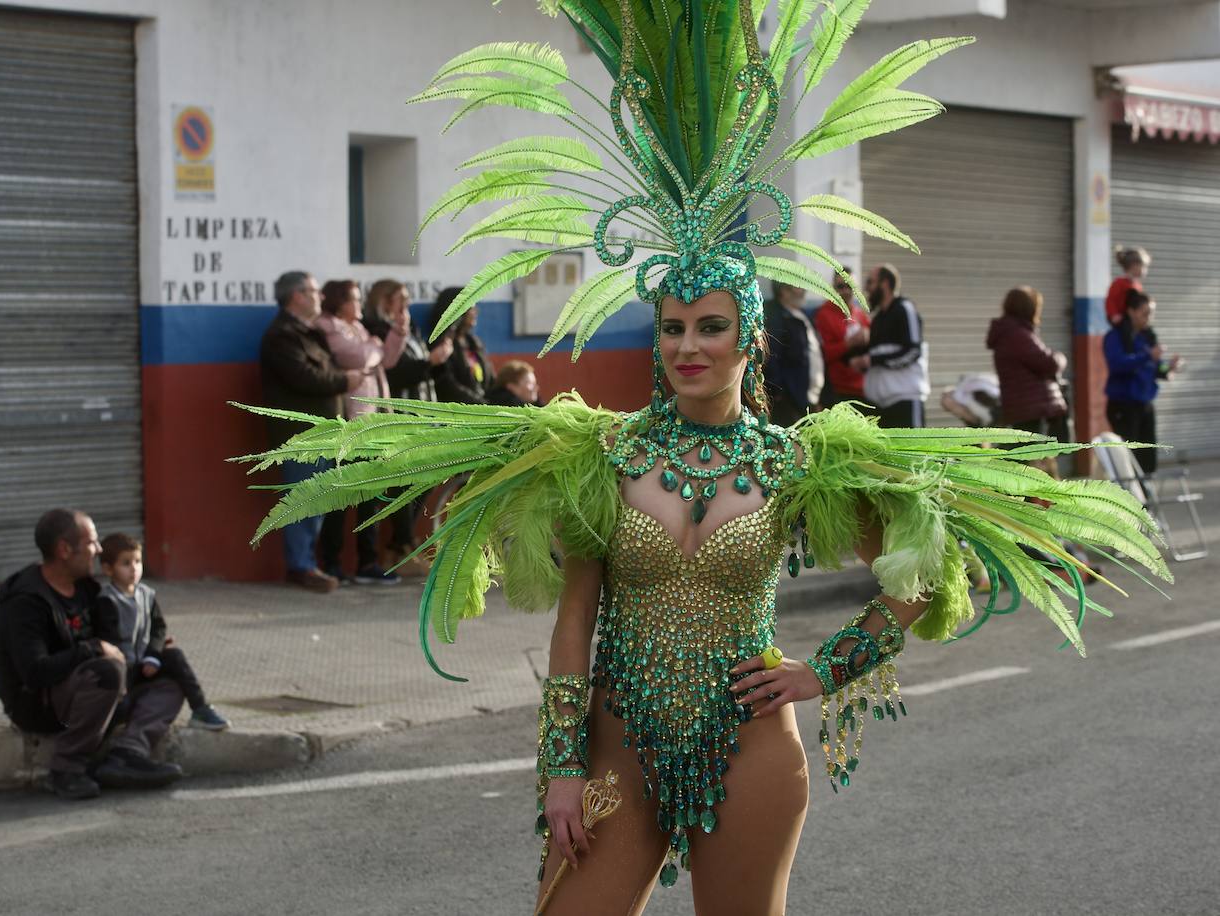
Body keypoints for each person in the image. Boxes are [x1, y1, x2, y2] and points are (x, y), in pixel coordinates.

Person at [242, 8, 1167, 913]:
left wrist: (824, 670)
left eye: (710, 327)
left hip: (752, 743)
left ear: (748, 340)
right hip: (618, 741)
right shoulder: (604, 453)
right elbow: (575, 623)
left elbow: (923, 568)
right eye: (673, 327)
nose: (688, 346)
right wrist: (561, 765)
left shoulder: (799, 462)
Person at [0, 510, 184, 800]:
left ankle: (126, 753)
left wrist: (147, 647)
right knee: (107, 672)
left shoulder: (87, 590)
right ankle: (66, 768)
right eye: (91, 542)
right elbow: (34, 672)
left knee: (171, 672)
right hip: (39, 705)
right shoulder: (26, 602)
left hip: (94, 694)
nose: (99, 549)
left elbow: (113, 638)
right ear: (64, 550)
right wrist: (93, 649)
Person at [259, 271, 362, 594]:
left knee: (317, 502)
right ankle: (300, 566)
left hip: (324, 434)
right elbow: (304, 377)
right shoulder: (282, 336)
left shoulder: (309, 332)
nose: (321, 297)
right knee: (302, 500)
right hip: (302, 437)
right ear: (297, 296)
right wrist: (345, 380)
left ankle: (307, 563)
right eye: (315, 291)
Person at [315, 279, 406, 585]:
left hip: (374, 422)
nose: (359, 304)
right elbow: (358, 358)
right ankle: (331, 562)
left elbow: (387, 359)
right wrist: (375, 347)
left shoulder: (359, 329)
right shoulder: (328, 326)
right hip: (351, 423)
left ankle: (368, 561)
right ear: (339, 302)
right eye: (353, 299)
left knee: (371, 494)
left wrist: (397, 332)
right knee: (341, 496)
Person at [95, 532, 230, 731]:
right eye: (126, 563)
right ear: (108, 569)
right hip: (122, 669)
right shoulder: (107, 600)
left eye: (138, 562)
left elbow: (158, 627)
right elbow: (108, 638)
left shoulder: (146, 595)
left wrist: (153, 655)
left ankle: (200, 708)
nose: (134, 568)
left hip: (145, 662)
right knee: (121, 707)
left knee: (175, 656)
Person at [363, 280, 454, 569]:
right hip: (399, 415)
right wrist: (430, 361)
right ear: (384, 302)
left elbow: (424, 369)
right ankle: (401, 545)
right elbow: (396, 373)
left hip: (422, 414)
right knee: (402, 482)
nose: (407, 306)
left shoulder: (411, 330)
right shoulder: (378, 330)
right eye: (400, 300)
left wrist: (438, 361)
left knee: (426, 476)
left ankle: (400, 543)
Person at [1104, 289, 1179, 474]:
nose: (1149, 318)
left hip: (1145, 404)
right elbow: (1117, 364)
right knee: (1129, 461)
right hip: (1124, 406)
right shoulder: (1115, 337)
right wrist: (1147, 356)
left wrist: (1168, 368)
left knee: (1148, 459)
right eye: (1145, 313)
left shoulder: (1147, 338)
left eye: (1151, 313)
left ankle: (1146, 491)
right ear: (1131, 311)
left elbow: (1157, 367)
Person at [850, 264, 929, 427]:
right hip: (881, 406)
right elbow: (876, 355)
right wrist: (858, 357)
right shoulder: (877, 319)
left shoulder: (904, 308)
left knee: (913, 444)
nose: (866, 288)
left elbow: (913, 351)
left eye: (870, 282)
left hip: (905, 401)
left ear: (884, 284)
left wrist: (871, 360)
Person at [986, 286, 1068, 442]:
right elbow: (1048, 363)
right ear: (1029, 308)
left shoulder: (1013, 332)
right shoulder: (1017, 334)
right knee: (1033, 453)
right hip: (1032, 409)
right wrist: (1060, 358)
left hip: (1025, 407)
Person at [760, 280, 822, 427]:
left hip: (809, 397)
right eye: (798, 286)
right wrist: (779, 393)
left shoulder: (802, 315)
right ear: (784, 291)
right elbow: (771, 356)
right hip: (790, 401)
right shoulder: (776, 316)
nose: (804, 290)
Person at [812, 270, 870, 407]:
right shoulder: (823, 314)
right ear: (833, 288)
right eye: (840, 287)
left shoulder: (860, 314)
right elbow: (822, 354)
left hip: (863, 389)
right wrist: (848, 344)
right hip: (837, 390)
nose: (845, 291)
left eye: (849, 286)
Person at [429, 286, 492, 404]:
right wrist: (481, 404)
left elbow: (490, 378)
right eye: (471, 306)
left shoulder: (473, 342)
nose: (476, 311)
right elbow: (447, 386)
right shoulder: (442, 345)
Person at [1105, 246, 1150, 330]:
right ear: (1133, 266)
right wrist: (1114, 315)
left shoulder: (1137, 286)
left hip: (1133, 318)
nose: (1145, 270)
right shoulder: (1119, 283)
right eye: (1143, 266)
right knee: (1127, 332)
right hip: (1120, 319)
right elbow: (1110, 301)